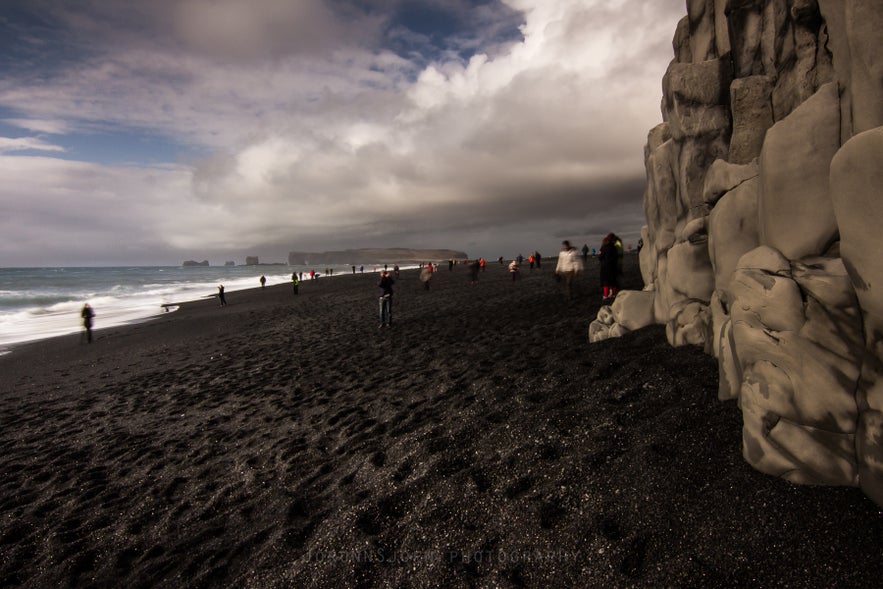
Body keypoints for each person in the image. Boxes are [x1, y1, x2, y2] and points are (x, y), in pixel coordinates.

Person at [599, 233, 620, 300]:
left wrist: (603, 261)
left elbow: (600, 257)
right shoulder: (614, 247)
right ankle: (614, 294)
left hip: (605, 266)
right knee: (613, 280)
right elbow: (617, 256)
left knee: (606, 281)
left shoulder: (603, 247)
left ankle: (605, 295)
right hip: (613, 266)